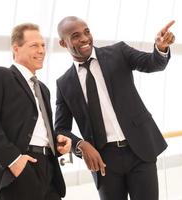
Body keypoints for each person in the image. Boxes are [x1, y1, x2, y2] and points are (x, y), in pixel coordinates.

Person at [55, 16, 175, 200]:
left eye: (87, 32)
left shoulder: (118, 52)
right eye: (76, 35)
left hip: (139, 151)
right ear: (63, 43)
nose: (85, 38)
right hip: (103, 161)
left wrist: (161, 48)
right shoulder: (64, 83)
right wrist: (80, 145)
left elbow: (152, 63)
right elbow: (61, 129)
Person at [0, 23, 71, 200]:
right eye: (34, 45)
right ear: (16, 49)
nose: (41, 51)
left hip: (49, 168)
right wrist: (13, 160)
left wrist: (56, 140)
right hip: (19, 167)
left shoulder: (43, 89)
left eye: (43, 45)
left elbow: (34, 127)